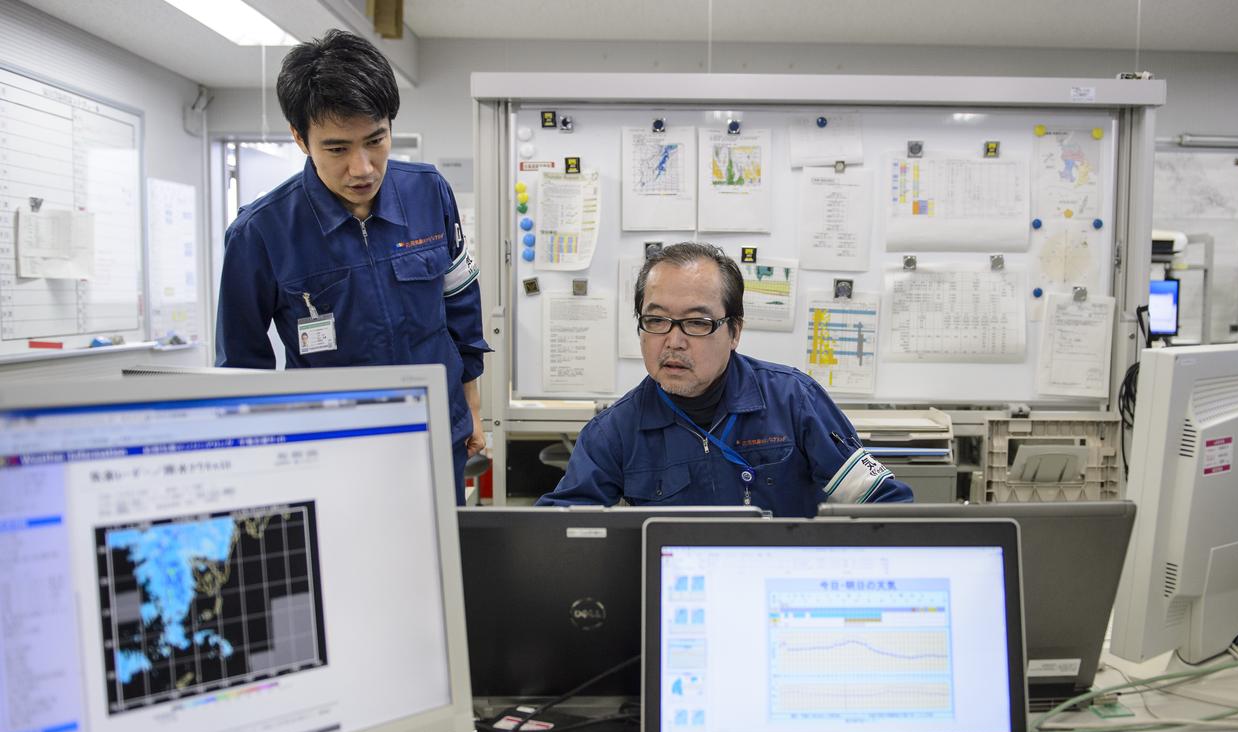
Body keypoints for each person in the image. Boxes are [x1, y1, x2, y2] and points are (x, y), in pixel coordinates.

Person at [215, 30, 489, 503]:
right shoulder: (259, 232)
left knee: (443, 568)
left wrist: (473, 408)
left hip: (436, 432)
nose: (362, 168)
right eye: (337, 148)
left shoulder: (429, 192)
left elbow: (459, 300)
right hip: (332, 449)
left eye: (376, 140)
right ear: (300, 139)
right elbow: (241, 365)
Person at [537, 242, 912, 516]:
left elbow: (884, 504)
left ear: (734, 332)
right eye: (656, 321)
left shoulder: (794, 401)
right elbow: (557, 533)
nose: (673, 341)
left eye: (697, 322)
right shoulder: (615, 431)